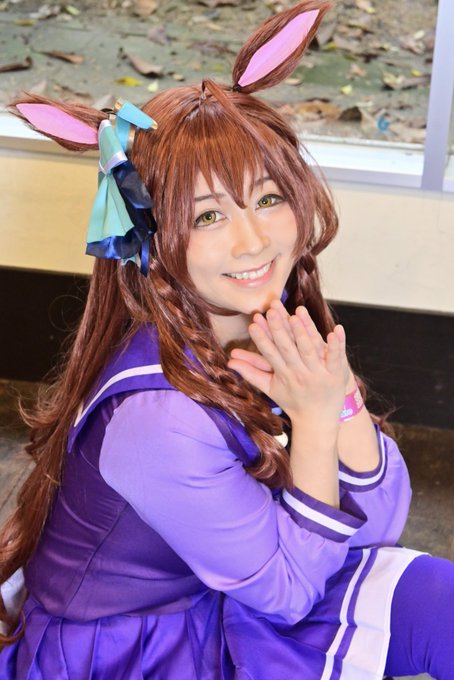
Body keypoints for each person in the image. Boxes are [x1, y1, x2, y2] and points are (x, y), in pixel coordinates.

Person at [1, 1, 453, 678]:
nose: (252, 241)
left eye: (268, 198)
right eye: (208, 215)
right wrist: (314, 421)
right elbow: (290, 592)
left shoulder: (262, 326)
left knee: (442, 599)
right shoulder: (156, 421)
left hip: (240, 589)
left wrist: (338, 403)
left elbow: (379, 525)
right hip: (136, 652)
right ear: (152, 238)